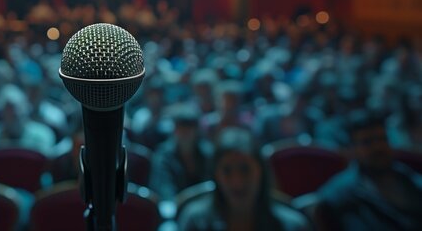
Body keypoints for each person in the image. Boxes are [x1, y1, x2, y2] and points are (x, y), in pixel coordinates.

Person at [178, 127, 309, 231]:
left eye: (245, 169)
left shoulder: (292, 226)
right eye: (227, 171)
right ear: (215, 174)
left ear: (261, 172)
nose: (237, 181)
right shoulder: (195, 221)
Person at [316, 111, 422, 230]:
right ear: (353, 149)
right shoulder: (337, 196)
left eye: (382, 139)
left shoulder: (412, 179)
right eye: (367, 142)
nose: (378, 147)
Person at [150, 104, 214, 200]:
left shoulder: (208, 153)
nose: (185, 132)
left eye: (189, 127)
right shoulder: (163, 155)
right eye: (181, 127)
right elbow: (164, 189)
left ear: (196, 130)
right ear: (174, 129)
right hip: (174, 209)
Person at [0, 84, 55, 155]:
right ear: (1, 114)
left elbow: (46, 160)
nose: (15, 112)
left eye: (18, 108)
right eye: (8, 109)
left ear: (26, 109)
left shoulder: (42, 134)